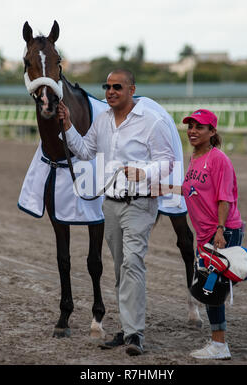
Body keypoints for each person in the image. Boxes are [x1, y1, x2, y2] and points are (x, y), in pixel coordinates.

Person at [57, 69, 175, 356]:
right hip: (110, 205)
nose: (110, 92)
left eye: (117, 87)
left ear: (131, 90)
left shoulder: (152, 121)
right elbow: (85, 151)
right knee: (122, 268)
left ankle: (135, 334)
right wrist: (69, 125)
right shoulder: (103, 121)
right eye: (107, 87)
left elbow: (167, 161)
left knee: (133, 263)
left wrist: (143, 172)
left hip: (140, 204)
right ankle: (126, 328)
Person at [174, 109, 243, 360]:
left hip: (221, 233)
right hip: (205, 236)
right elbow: (191, 191)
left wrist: (220, 231)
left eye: (199, 127)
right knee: (209, 288)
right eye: (190, 126)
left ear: (211, 132)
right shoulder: (194, 157)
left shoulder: (218, 159)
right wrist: (156, 189)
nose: (192, 130)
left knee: (211, 289)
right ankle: (218, 342)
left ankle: (219, 345)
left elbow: (225, 198)